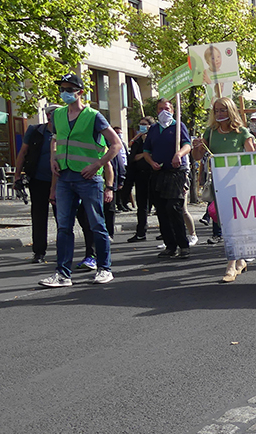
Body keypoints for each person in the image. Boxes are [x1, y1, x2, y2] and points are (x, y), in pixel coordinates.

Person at [39, 73, 121, 287]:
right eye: (62, 89)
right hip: (65, 177)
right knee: (63, 227)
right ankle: (63, 275)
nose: (64, 93)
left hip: (88, 178)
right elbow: (55, 139)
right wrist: (53, 159)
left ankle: (104, 268)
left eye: (68, 89)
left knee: (96, 224)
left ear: (80, 92)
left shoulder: (93, 116)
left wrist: (97, 165)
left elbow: (116, 144)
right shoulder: (57, 115)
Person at [196, 97, 256, 282]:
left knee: (233, 224)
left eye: (223, 110)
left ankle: (231, 265)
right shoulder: (211, 132)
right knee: (228, 224)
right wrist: (197, 147)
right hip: (218, 185)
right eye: (216, 110)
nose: (219, 114)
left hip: (238, 184)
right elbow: (198, 156)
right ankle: (240, 260)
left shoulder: (242, 132)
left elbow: (252, 157)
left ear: (231, 111)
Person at [143, 98, 193, 259]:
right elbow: (146, 151)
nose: (164, 112)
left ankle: (183, 245)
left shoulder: (178, 127)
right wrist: (151, 162)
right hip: (158, 173)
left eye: (167, 108)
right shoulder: (153, 129)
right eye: (160, 109)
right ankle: (170, 245)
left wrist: (179, 154)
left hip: (176, 173)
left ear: (172, 110)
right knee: (162, 210)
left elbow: (187, 145)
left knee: (174, 207)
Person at [14, 104, 60, 263]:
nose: (53, 117)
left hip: (61, 181)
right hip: (38, 180)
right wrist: (17, 176)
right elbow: (23, 153)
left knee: (61, 217)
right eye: (51, 114)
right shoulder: (35, 131)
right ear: (47, 117)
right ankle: (39, 252)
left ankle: (63, 250)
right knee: (39, 216)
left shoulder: (65, 132)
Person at [127, 117, 155, 242]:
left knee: (159, 204)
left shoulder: (155, 138)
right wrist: (144, 154)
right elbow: (132, 157)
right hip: (140, 175)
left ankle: (166, 231)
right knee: (141, 205)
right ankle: (141, 231)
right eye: (141, 124)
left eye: (145, 124)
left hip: (154, 175)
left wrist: (146, 154)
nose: (142, 126)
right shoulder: (138, 140)